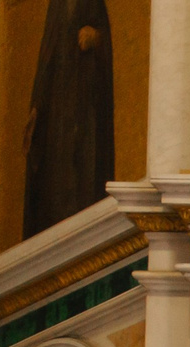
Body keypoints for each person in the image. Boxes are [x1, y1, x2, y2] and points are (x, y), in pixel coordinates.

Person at [22, 0, 112, 240]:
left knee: (82, 170)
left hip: (85, 108)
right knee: (55, 177)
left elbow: (103, 35)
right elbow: (47, 54)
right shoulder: (56, 5)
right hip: (56, 108)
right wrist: (36, 108)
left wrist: (96, 37)